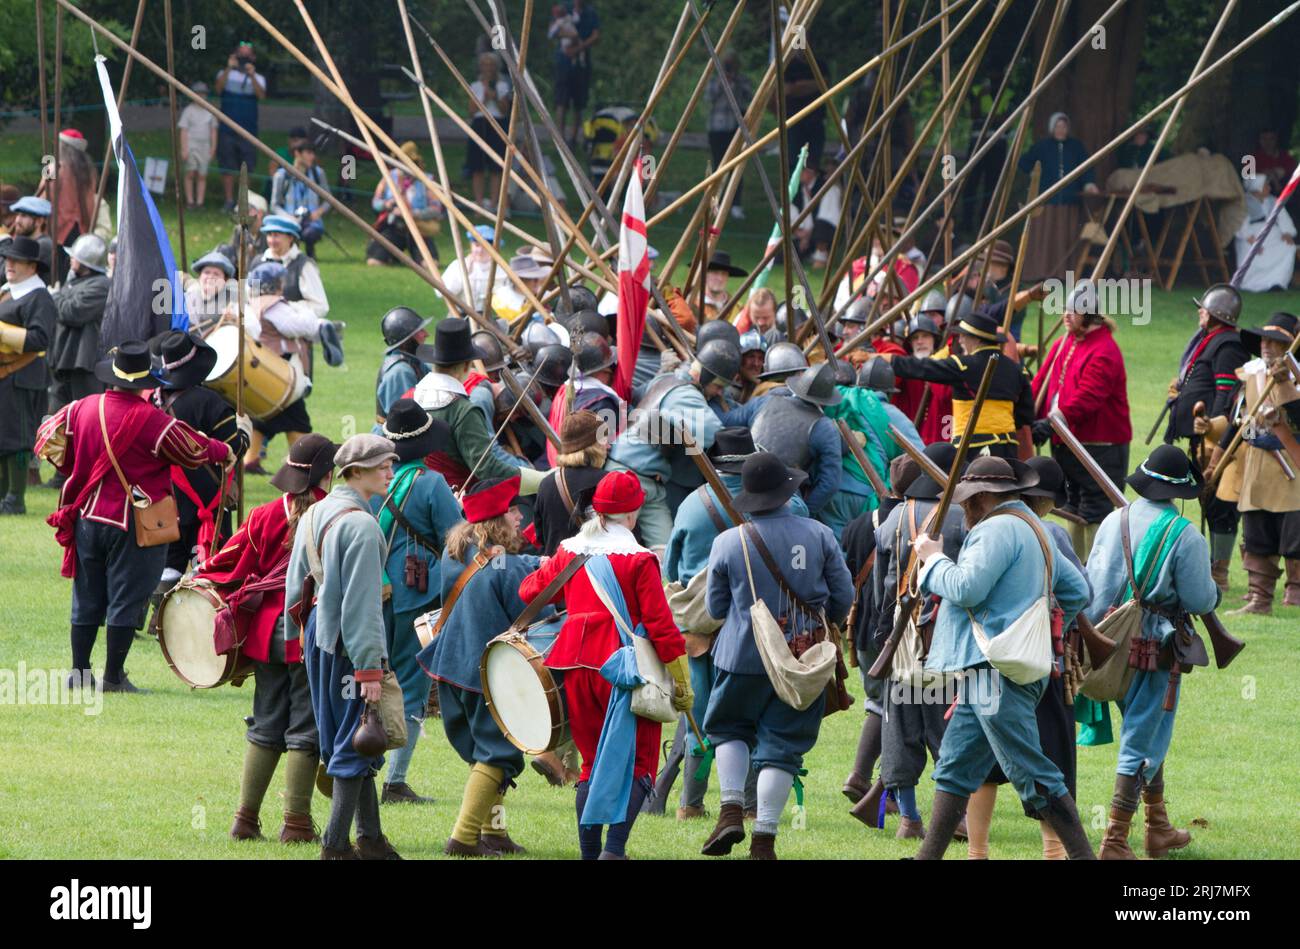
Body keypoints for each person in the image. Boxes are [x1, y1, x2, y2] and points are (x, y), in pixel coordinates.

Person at [910, 456, 1093, 860]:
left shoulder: (995, 530)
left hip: (993, 670)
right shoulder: (1034, 527)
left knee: (1033, 772)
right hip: (995, 669)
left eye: (967, 499)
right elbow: (1078, 591)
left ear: (985, 497)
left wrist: (931, 559)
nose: (963, 508)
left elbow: (966, 588)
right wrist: (1026, 612)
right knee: (955, 768)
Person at [37, 341, 233, 691]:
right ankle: (113, 677)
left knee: (86, 595)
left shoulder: (81, 408)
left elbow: (46, 436)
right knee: (128, 596)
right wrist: (225, 449)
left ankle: (79, 673)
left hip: (88, 517)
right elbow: (193, 450)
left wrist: (74, 466)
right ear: (145, 380)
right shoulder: (152, 420)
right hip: (134, 523)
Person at [520, 471, 690, 860]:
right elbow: (662, 627)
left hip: (574, 664)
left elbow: (529, 590)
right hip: (624, 670)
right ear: (632, 515)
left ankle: (590, 853)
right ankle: (614, 851)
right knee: (641, 764)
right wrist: (681, 679)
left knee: (591, 764)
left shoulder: (570, 551)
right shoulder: (639, 560)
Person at [699, 452, 853, 860]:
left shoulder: (728, 541)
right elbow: (844, 597)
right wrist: (821, 628)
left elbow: (715, 610)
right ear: (787, 491)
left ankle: (731, 809)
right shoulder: (820, 534)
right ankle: (763, 839)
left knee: (729, 729)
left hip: (739, 657)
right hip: (802, 659)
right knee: (783, 747)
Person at [656, 429, 810, 821]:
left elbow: (673, 569)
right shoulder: (789, 506)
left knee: (701, 716)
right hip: (761, 623)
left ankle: (690, 803)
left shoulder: (692, 504)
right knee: (755, 716)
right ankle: (748, 805)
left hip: (701, 627)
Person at [197, 434, 338, 845]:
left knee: (266, 722)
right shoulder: (334, 517)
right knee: (306, 726)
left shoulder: (261, 515)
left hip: (265, 637)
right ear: (327, 474)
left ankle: (245, 818)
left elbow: (224, 564)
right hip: (309, 631)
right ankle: (295, 824)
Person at [1085, 446, 1220, 859]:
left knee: (1145, 733)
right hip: (1155, 649)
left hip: (1108, 639)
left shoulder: (1114, 519)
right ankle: (1114, 841)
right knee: (1145, 738)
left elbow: (1094, 582)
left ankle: (1157, 826)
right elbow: (1201, 599)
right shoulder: (1185, 535)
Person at [964, 456, 1091, 860]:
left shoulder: (986, 528)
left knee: (982, 763)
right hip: (1042, 661)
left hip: (989, 658)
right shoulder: (1048, 531)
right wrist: (1050, 625)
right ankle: (1054, 852)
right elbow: (1080, 589)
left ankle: (977, 851)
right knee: (1049, 754)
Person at [284, 433, 402, 860]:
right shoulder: (362, 525)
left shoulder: (316, 510)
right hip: (350, 646)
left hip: (318, 634)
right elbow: (363, 606)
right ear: (355, 472)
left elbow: (296, 584)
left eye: (390, 463)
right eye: (381, 466)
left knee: (348, 739)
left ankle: (370, 839)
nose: (390, 472)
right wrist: (370, 670)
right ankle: (335, 846)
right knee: (355, 742)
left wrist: (292, 637)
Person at [420, 474, 544, 855]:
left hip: (449, 667)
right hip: (488, 674)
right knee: (497, 754)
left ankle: (495, 833)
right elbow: (536, 613)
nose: (520, 517)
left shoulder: (454, 552)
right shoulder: (509, 565)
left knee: (483, 753)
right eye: (512, 511)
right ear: (496, 520)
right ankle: (463, 837)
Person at [854, 443, 967, 837]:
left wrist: (886, 634)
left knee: (900, 730)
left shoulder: (896, 517)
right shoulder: (962, 518)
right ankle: (956, 818)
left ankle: (909, 818)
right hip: (945, 638)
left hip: (901, 638)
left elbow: (882, 589)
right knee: (947, 730)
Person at [363, 400, 458, 805]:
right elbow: (456, 543)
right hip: (417, 599)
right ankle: (395, 780)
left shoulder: (372, 483)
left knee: (373, 681)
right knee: (412, 685)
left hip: (374, 593)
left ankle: (363, 768)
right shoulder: (432, 483)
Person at [838, 454, 917, 813]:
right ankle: (892, 795)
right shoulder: (919, 524)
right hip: (897, 633)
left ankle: (861, 777)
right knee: (894, 711)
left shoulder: (856, 525)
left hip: (863, 632)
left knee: (879, 704)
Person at [1031, 281, 1133, 559]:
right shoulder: (1064, 342)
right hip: (1066, 439)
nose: (1066, 315)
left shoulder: (1105, 351)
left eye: (1073, 311)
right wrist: (1027, 412)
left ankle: (1094, 565)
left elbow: (1089, 397)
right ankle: (1076, 562)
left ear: (1089, 315)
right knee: (1073, 503)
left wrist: (1052, 422)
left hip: (1098, 444)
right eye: (1066, 309)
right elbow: (1042, 382)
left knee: (1095, 507)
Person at [1209, 313, 1300, 614]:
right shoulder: (1250, 374)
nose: (1267, 346)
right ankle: (1260, 598)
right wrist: (1218, 457)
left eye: (1276, 341)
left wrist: (1287, 389)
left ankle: (1296, 594)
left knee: (1294, 533)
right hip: (1258, 464)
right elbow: (1241, 423)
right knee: (1257, 532)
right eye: (1265, 340)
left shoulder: (1296, 378)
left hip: (1292, 465)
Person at [606, 340, 733, 547]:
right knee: (609, 547)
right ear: (705, 375)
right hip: (627, 475)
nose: (720, 393)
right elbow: (715, 434)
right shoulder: (685, 394)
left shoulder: (665, 380)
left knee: (664, 551)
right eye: (718, 386)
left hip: (646, 480)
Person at [150, 330, 251, 585]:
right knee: (207, 574)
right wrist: (245, 433)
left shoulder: (153, 400)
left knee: (167, 568)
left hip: (163, 502)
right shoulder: (211, 403)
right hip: (204, 504)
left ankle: (161, 620)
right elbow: (231, 452)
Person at [1165, 283, 1248, 590]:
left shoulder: (1228, 346)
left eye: (1205, 308)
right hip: (1203, 439)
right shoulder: (1211, 340)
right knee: (1209, 502)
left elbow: (1227, 396)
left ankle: (1220, 572)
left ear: (1216, 315)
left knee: (1221, 506)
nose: (1200, 311)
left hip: (1220, 441)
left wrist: (1211, 427)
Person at [412, 317, 545, 493]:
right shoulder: (463, 410)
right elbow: (487, 468)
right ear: (468, 364)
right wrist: (541, 480)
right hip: (458, 503)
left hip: (420, 492)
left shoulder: (415, 396)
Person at [886, 305, 1035, 459]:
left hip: (973, 447)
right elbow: (1025, 416)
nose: (961, 340)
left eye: (964, 335)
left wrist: (889, 360)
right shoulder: (1018, 370)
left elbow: (922, 367)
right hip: (1008, 446)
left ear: (976, 338)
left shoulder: (963, 365)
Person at [239, 261, 332, 474]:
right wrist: (309, 315)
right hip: (280, 372)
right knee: (298, 421)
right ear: (275, 284)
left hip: (264, 369)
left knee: (263, 418)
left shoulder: (252, 303)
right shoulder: (274, 305)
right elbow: (296, 326)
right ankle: (301, 465)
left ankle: (250, 460)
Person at [721, 362, 843, 521]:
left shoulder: (764, 401)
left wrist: (717, 395)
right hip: (784, 499)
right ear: (827, 398)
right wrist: (806, 513)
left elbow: (726, 421)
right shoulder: (825, 427)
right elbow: (830, 483)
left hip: (741, 484)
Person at [820, 359, 924, 540]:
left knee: (835, 554)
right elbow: (921, 459)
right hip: (869, 494)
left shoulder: (822, 406)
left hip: (829, 492)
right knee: (867, 555)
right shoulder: (891, 414)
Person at [0, 236, 57, 515]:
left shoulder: (39, 297)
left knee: (18, 440)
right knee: (2, 438)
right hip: (5, 377)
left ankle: (14, 499)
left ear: (32, 266)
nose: (8, 263)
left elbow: (40, 339)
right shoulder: (8, 290)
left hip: (23, 377)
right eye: (7, 258)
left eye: (16, 260)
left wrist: (3, 333)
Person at [1017, 113, 1099, 281]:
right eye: (1057, 126)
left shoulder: (1076, 147)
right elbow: (1024, 162)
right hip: (1047, 202)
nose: (1061, 130)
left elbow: (1086, 168)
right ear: (1052, 128)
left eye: (1064, 127)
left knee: (1065, 238)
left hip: (1069, 201)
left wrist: (1089, 183)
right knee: (1045, 238)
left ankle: (1064, 274)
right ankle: (1040, 272)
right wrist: (1034, 174)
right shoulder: (1042, 146)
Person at [533, 410, 609, 557]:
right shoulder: (608, 482)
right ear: (593, 445)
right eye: (603, 439)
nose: (607, 446)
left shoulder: (546, 485)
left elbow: (541, 540)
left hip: (558, 575)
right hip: (597, 576)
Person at [48, 234, 110, 415]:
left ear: (87, 261)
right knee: (55, 421)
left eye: (75, 256)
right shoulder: (73, 280)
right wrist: (60, 296)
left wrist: (54, 296)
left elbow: (71, 312)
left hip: (83, 363)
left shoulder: (101, 286)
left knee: (84, 418)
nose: (71, 258)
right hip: (63, 360)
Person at [35, 129, 100, 283]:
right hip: (81, 227)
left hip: (57, 229)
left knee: (56, 272)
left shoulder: (54, 166)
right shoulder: (89, 170)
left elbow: (43, 196)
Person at [365, 141, 443, 267]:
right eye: (400, 161)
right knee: (374, 262)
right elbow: (375, 203)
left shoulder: (427, 180)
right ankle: (392, 256)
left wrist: (413, 214)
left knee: (430, 265)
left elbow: (436, 209)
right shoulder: (389, 177)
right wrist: (387, 205)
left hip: (419, 228)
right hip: (394, 227)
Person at [215, 43, 267, 212]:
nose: (243, 60)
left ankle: (243, 201)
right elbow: (218, 89)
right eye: (240, 56)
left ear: (253, 58)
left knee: (247, 166)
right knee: (227, 164)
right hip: (227, 128)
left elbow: (261, 96)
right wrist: (229, 68)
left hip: (248, 129)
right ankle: (229, 200)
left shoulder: (258, 78)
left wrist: (251, 75)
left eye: (247, 56)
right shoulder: (225, 74)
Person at [705, 52, 753, 219]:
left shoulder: (742, 80)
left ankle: (735, 204)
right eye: (727, 65)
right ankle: (716, 202)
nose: (729, 68)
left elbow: (750, 96)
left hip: (736, 128)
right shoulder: (714, 79)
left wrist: (735, 81)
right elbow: (709, 96)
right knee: (719, 165)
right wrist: (723, 80)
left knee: (736, 165)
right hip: (717, 128)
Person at [1234, 175, 1296, 293]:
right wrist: (1249, 238)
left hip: (1273, 237)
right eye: (1266, 185)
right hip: (1252, 238)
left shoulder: (1273, 201)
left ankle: (1277, 282)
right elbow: (1239, 223)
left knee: (1288, 247)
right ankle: (1251, 284)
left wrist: (1287, 233)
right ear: (1257, 188)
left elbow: (1283, 218)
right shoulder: (1245, 202)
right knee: (1251, 251)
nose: (1269, 188)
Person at [373, 306, 432, 429]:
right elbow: (405, 422)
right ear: (406, 341)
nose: (426, 334)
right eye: (419, 331)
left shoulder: (414, 363)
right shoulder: (400, 373)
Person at [270, 136, 331, 255]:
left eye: (313, 153)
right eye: (308, 153)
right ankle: (292, 251)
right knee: (291, 232)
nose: (312, 157)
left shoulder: (318, 173)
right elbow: (274, 205)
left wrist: (318, 212)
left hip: (312, 222)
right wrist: (288, 217)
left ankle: (310, 252)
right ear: (297, 153)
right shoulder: (281, 176)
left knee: (310, 233)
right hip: (290, 220)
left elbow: (329, 200)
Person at [553, 0, 601, 145]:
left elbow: (596, 35)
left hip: (582, 63)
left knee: (579, 102)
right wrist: (570, 37)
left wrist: (579, 47)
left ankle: (573, 139)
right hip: (564, 62)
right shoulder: (563, 9)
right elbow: (554, 31)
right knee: (561, 100)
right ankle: (560, 138)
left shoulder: (590, 13)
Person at [467, 53, 511, 209]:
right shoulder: (475, 85)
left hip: (497, 122)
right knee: (477, 165)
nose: (488, 68)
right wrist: (484, 98)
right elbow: (471, 111)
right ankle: (479, 202)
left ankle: (493, 203)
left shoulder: (502, 86)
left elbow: (505, 110)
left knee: (495, 166)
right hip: (480, 122)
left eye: (491, 65)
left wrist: (494, 96)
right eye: (485, 65)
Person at [440, 225, 510, 314]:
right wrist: (463, 274)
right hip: (458, 317)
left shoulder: (502, 270)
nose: (480, 251)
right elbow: (443, 293)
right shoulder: (458, 265)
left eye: (485, 247)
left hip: (487, 320)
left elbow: (507, 300)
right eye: (477, 245)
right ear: (471, 246)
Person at [781, 52, 829, 167]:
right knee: (793, 161)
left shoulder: (819, 65)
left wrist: (798, 86)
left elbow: (825, 85)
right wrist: (815, 84)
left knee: (813, 162)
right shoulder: (789, 66)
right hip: (794, 121)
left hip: (815, 120)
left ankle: (809, 184)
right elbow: (787, 90)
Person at [178, 83, 218, 208]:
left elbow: (213, 130)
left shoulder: (210, 110)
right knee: (190, 172)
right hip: (191, 145)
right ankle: (190, 201)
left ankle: (200, 202)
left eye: (203, 94)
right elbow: (183, 130)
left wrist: (213, 147)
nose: (201, 96)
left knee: (202, 174)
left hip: (205, 145)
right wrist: (184, 149)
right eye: (198, 93)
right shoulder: (189, 110)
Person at [184, 249, 236, 333]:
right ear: (199, 277)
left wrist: (234, 318)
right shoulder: (187, 298)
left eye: (216, 274)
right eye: (207, 272)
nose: (211, 277)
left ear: (225, 280)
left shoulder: (234, 301)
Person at [7, 196, 54, 274]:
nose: (17, 220)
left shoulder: (42, 245)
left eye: (24, 216)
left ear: (39, 221)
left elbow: (7, 274)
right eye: (18, 215)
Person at [702, 251, 747, 317]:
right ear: (704, 275)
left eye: (724, 274)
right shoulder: (692, 306)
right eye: (715, 273)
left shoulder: (738, 309)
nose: (720, 278)